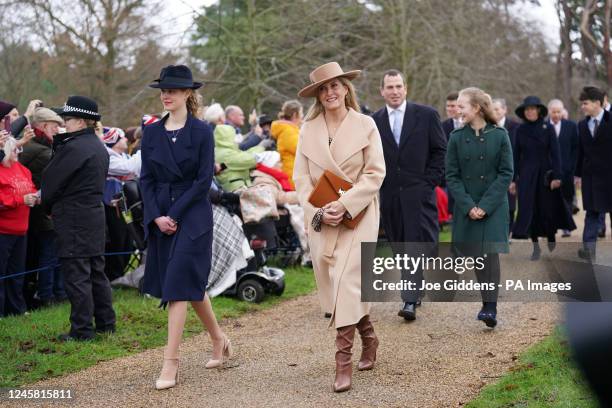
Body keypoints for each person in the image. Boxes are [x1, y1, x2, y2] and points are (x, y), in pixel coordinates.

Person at [294, 62, 385, 393]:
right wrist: (319, 210)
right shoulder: (308, 129)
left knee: (348, 278)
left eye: (336, 86)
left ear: (346, 88)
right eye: (323, 88)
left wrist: (345, 205)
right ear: (318, 95)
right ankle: (369, 335)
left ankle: (342, 361)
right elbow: (301, 179)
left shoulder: (366, 125)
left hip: (358, 213)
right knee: (338, 285)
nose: (330, 92)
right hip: (322, 218)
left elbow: (375, 173)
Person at [140, 64, 231, 390]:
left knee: (178, 283)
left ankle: (171, 362)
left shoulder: (202, 132)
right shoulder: (150, 132)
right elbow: (146, 179)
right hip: (160, 212)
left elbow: (203, 180)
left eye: (174, 90)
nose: (167, 95)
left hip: (193, 213)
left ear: (188, 94)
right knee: (189, 284)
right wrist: (155, 216)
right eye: (164, 90)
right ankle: (219, 339)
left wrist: (174, 214)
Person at [371, 69, 446, 321]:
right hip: (390, 194)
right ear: (381, 91)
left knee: (417, 244)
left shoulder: (426, 115)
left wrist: (429, 182)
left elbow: (439, 152)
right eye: (389, 87)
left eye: (398, 87)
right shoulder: (373, 121)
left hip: (419, 193)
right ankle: (415, 286)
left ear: (406, 89)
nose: (394, 91)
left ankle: (409, 299)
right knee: (400, 246)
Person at [41, 95, 116, 341]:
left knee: (77, 276)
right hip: (93, 215)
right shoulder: (97, 146)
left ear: (82, 121)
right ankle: (106, 324)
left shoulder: (73, 147)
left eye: (68, 118)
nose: (64, 123)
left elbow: (51, 182)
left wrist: (48, 205)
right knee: (96, 272)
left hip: (73, 218)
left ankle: (82, 330)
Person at [446, 87, 513, 328]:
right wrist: (468, 206)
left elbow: (506, 173)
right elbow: (451, 176)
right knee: (477, 255)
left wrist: (484, 206)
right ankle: (487, 302)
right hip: (467, 206)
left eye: (462, 106)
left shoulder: (500, 135)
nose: (457, 110)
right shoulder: (455, 137)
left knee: (489, 253)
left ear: (476, 108)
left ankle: (490, 306)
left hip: (493, 205)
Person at [510, 96, 575, 260]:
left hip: (546, 175)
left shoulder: (548, 128)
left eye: (533, 108)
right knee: (529, 209)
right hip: (526, 176)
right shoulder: (520, 130)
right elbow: (515, 156)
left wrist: (558, 176)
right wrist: (512, 179)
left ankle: (551, 236)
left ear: (539, 110)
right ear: (524, 112)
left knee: (547, 209)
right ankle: (535, 247)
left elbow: (556, 153)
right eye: (527, 109)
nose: (530, 111)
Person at [19, 107, 67, 307]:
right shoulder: (39, 150)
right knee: (49, 255)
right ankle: (46, 294)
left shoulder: (46, 148)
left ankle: (56, 291)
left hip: (48, 209)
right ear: (44, 125)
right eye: (55, 126)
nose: (58, 130)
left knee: (55, 254)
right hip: (43, 211)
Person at [0, 137, 37, 317]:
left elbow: (31, 189)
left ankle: (17, 309)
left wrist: (34, 198)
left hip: (21, 230)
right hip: (3, 231)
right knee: (1, 273)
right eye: (14, 149)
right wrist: (19, 200)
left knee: (17, 273)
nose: (18, 152)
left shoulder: (23, 170)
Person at [575, 86, 612, 260]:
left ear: (597, 103)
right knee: (591, 213)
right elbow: (580, 152)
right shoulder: (582, 125)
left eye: (585, 103)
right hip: (591, 177)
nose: (583, 107)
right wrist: (577, 175)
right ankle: (589, 250)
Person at [547, 99, 579, 238]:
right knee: (550, 200)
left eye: (558, 111)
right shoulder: (543, 127)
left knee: (566, 199)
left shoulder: (571, 126)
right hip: (548, 171)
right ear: (549, 112)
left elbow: (575, 148)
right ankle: (551, 226)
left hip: (567, 170)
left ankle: (566, 227)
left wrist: (572, 168)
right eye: (553, 112)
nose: (556, 114)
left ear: (562, 111)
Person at [492, 98, 520, 234]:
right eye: (492, 109)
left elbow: (518, 153)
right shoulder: (486, 127)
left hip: (510, 172)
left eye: (497, 109)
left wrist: (514, 179)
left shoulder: (515, 127)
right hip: (492, 173)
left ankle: (508, 233)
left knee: (510, 206)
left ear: (504, 110)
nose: (494, 112)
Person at [271, 100, 303, 188]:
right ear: (294, 115)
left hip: (294, 173)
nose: (302, 117)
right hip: (293, 176)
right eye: (301, 113)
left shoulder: (290, 129)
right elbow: (303, 150)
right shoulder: (288, 131)